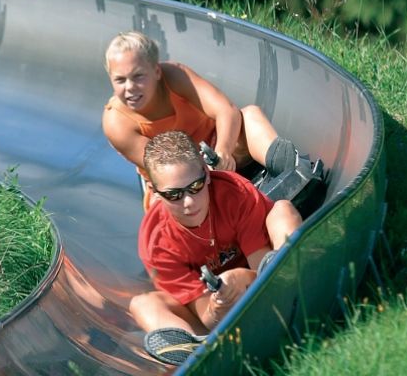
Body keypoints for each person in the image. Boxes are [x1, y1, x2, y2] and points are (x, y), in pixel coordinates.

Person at [130, 131, 302, 364]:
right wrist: (218, 305)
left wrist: (241, 278)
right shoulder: (157, 243)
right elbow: (206, 316)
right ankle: (196, 352)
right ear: (154, 192)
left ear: (207, 172)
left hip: (262, 275)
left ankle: (291, 272)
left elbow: (264, 273)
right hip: (217, 314)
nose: (188, 202)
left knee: (282, 210)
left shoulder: (234, 192)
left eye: (196, 186)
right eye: (173, 195)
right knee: (142, 304)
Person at [102, 31, 298, 209]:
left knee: (250, 115)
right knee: (166, 199)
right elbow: (164, 168)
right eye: (120, 80)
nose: (130, 88)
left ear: (157, 71)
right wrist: (207, 171)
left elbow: (226, 110)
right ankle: (235, 208)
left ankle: (288, 170)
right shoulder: (116, 122)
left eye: (138, 76)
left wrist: (223, 150)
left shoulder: (174, 76)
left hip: (216, 153)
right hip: (181, 183)